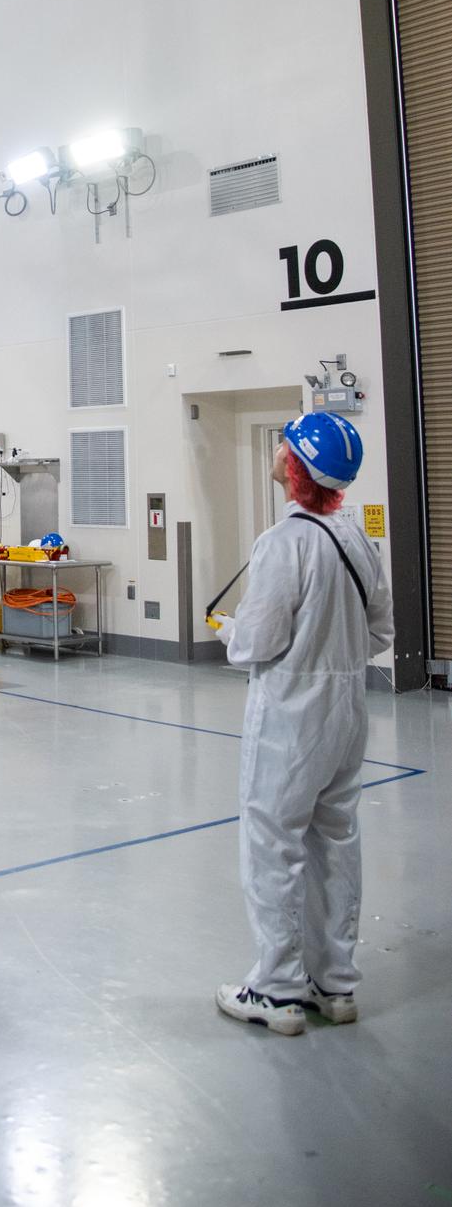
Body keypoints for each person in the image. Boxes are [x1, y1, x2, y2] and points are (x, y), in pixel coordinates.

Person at [214, 412, 394, 1036]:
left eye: (284, 446)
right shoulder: (356, 540)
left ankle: (277, 990)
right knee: (335, 838)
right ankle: (334, 984)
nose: (277, 451)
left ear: (295, 467)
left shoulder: (283, 542)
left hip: (291, 714)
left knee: (274, 841)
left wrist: (231, 631)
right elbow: (380, 632)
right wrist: (330, 650)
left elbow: (256, 644)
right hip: (347, 710)